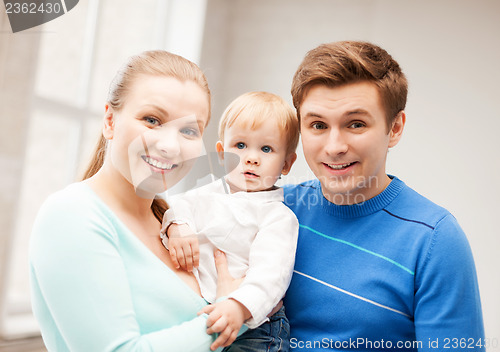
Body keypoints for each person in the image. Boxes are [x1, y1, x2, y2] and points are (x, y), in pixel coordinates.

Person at [29, 50, 240, 352]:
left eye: (190, 130)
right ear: (110, 121)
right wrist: (236, 313)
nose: (169, 145)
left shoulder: (177, 224)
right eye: (152, 120)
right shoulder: (71, 215)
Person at [282, 41, 485, 351]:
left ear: (395, 128)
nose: (334, 146)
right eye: (318, 125)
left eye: (356, 124)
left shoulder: (434, 240)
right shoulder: (273, 208)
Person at [161, 91, 300, 352]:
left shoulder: (277, 217)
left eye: (266, 149)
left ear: (286, 164)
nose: (251, 157)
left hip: (255, 328)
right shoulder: (205, 194)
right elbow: (177, 207)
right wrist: (178, 226)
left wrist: (238, 305)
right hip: (207, 313)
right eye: (239, 145)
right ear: (221, 153)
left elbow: (271, 275)